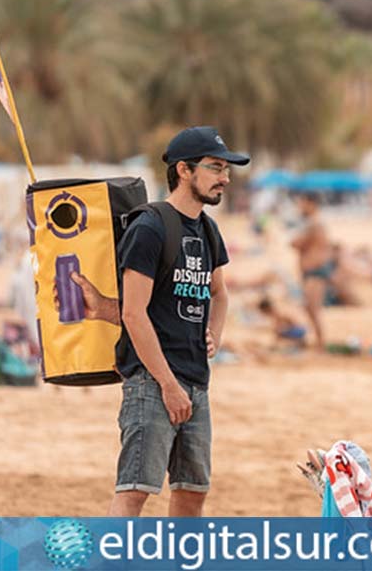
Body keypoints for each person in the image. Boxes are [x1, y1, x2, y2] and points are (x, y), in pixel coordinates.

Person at [107, 126, 245, 517]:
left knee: (192, 492)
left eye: (227, 169)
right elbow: (133, 313)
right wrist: (168, 385)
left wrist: (214, 335)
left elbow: (220, 293)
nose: (225, 178)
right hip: (152, 383)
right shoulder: (150, 227)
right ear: (184, 170)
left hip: (196, 382)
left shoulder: (207, 228)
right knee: (135, 490)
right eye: (216, 167)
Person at [290, 191, 334, 349]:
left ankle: (321, 342)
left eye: (302, 203)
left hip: (316, 271)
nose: (300, 207)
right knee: (309, 307)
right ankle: (318, 340)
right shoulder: (313, 223)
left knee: (312, 308)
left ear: (311, 204)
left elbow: (298, 243)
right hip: (313, 271)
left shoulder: (314, 223)